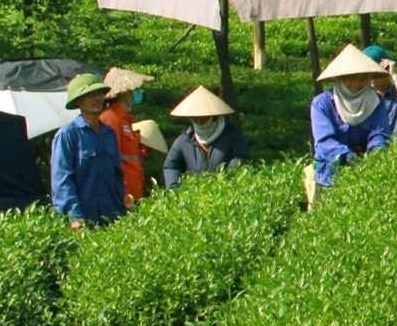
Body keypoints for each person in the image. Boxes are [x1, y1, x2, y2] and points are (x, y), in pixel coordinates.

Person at [310, 44, 397, 187]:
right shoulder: (322, 104)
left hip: (366, 174)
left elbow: (379, 134)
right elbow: (325, 141)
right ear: (340, 79)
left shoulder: (375, 101)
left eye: (362, 79)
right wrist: (349, 158)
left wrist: (374, 156)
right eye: (351, 79)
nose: (356, 84)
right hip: (330, 174)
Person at [50, 73, 127, 227]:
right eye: (91, 95)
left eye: (99, 93)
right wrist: (74, 216)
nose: (97, 98)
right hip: (81, 221)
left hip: (110, 218)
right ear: (78, 101)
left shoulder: (109, 134)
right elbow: (61, 179)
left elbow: (117, 175)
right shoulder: (68, 134)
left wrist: (121, 210)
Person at [162, 87, 250, 188]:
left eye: (203, 118)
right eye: (195, 118)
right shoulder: (185, 139)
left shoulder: (232, 136)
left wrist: (225, 184)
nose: (198, 122)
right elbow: (171, 166)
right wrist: (174, 189)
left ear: (215, 117)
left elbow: (240, 159)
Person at [98, 67, 153, 206]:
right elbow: (111, 159)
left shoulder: (125, 117)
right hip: (123, 194)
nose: (135, 92)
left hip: (135, 189)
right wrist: (123, 196)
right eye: (132, 89)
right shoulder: (110, 118)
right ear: (123, 93)